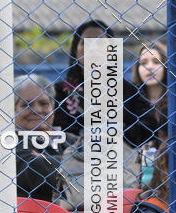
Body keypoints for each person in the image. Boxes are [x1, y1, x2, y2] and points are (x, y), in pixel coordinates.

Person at [13, 75, 118, 213]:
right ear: (13, 109)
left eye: (44, 103)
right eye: (26, 104)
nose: (37, 110)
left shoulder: (68, 140)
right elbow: (46, 175)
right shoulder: (7, 143)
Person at [53, 19, 150, 148]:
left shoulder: (131, 91)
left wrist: (114, 138)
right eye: (85, 42)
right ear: (76, 51)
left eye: (99, 42)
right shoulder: (60, 92)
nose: (92, 47)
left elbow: (147, 125)